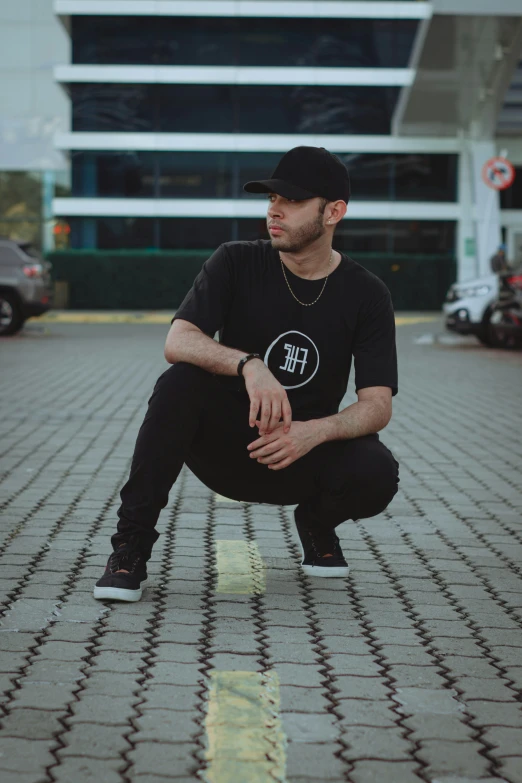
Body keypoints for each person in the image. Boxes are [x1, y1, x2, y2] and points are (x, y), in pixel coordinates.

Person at [93, 146, 400, 602]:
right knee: (179, 382)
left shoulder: (367, 294)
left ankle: (316, 524)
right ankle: (130, 547)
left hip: (300, 456)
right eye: (271, 198)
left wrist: (313, 432)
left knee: (378, 470)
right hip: (227, 447)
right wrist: (248, 364)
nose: (275, 209)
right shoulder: (236, 261)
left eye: (292, 201)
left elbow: (377, 405)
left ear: (334, 212)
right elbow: (178, 341)